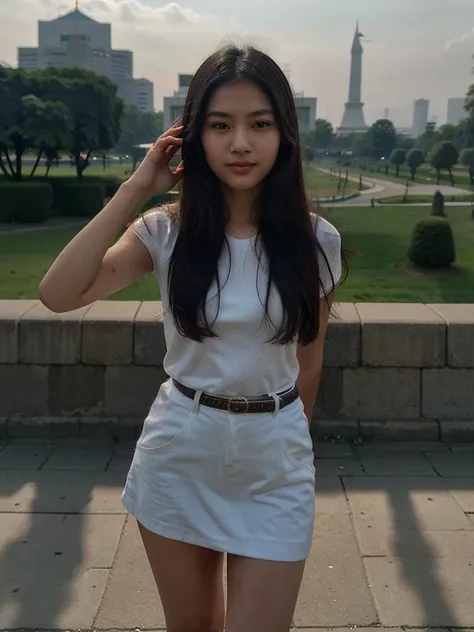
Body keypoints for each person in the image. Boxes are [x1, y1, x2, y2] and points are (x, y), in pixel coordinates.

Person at [39, 44, 344, 632]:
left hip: (274, 465)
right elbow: (58, 293)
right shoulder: (164, 232)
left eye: (260, 125)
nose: (240, 144)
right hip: (181, 453)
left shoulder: (316, 241)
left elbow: (310, 359)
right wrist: (138, 188)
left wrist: (285, 441)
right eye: (220, 125)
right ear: (193, 136)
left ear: (285, 135)